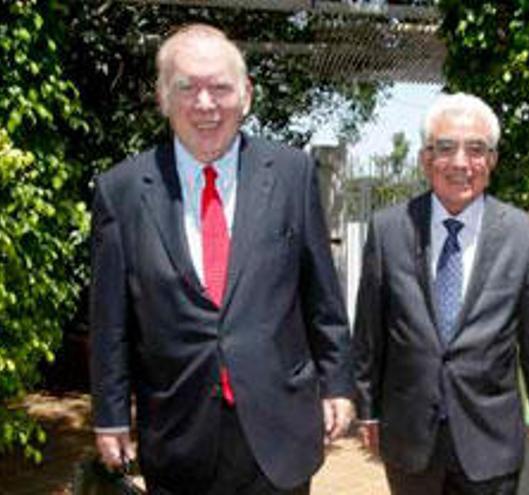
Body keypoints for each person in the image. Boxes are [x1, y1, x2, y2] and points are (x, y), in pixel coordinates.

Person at [89, 24, 354, 494]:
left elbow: (322, 296)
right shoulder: (122, 190)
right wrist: (110, 416)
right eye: (186, 87)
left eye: (220, 87)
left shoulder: (293, 175)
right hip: (178, 436)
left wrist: (337, 384)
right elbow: (111, 320)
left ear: (246, 94)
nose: (205, 104)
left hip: (279, 431)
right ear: (162, 98)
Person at [352, 92, 529, 494]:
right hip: (411, 437)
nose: (461, 163)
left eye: (476, 149)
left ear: (493, 160)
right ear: (426, 159)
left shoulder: (524, 236)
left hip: (490, 439)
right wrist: (367, 410)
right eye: (445, 148)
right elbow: (369, 332)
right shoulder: (389, 230)